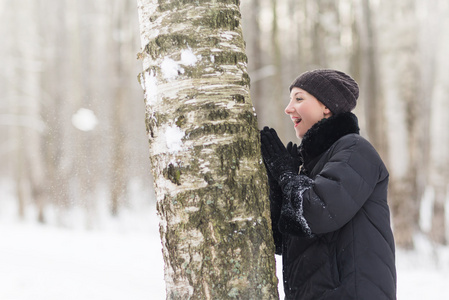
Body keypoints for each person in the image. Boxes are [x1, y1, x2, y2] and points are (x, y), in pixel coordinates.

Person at [260, 69, 396, 300]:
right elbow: (285, 240)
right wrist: (278, 186)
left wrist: (286, 176)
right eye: (290, 99)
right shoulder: (315, 166)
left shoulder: (355, 150)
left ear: (327, 107)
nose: (288, 108)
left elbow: (317, 212)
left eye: (299, 98)